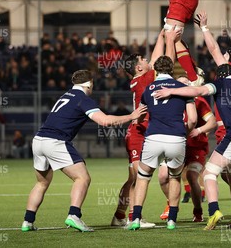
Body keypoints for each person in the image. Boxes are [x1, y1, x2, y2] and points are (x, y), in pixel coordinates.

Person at [155, 11, 231, 229]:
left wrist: (172, 90)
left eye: (224, 56)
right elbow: (215, 52)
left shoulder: (222, 80)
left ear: (227, 63)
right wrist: (202, 28)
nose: (219, 56)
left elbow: (201, 83)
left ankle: (214, 211)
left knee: (210, 174)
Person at [21, 70, 147, 233]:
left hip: (38, 140)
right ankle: (74, 215)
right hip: (55, 141)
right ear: (89, 83)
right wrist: (131, 116)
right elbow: (105, 121)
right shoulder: (82, 99)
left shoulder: (66, 95)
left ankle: (27, 221)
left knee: (42, 183)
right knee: (82, 178)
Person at [110, 29, 178, 227]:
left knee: (133, 177)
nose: (149, 59)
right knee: (138, 176)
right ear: (139, 67)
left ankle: (120, 216)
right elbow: (164, 60)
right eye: (144, 59)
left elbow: (157, 57)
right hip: (138, 133)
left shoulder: (141, 78)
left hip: (141, 132)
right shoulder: (145, 78)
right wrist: (168, 40)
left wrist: (160, 37)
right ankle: (132, 217)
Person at [126, 56, 197, 231]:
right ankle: (172, 220)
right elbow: (193, 120)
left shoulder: (148, 88)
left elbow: (140, 116)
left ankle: (135, 218)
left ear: (156, 71)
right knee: (174, 177)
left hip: (153, 138)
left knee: (142, 178)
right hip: (176, 138)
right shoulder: (183, 88)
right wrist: (184, 133)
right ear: (172, 70)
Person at [159, 76, 216, 223]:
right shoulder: (170, 102)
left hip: (196, 147)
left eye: (186, 83)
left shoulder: (198, 101)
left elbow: (212, 122)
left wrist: (199, 130)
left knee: (191, 176)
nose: (183, 86)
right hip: (176, 145)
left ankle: (198, 212)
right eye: (180, 83)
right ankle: (170, 204)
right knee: (163, 176)